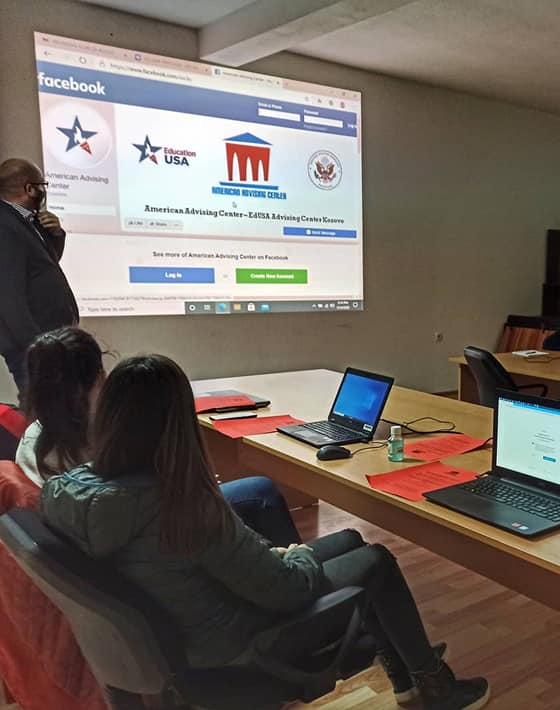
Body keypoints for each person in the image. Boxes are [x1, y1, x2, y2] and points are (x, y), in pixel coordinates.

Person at [41, 354, 490, 709]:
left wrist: (274, 556)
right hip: (234, 643)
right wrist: (290, 555)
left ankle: (407, 675)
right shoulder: (184, 507)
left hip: (182, 628)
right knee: (376, 560)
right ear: (178, 424)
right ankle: (433, 685)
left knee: (352, 541)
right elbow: (288, 591)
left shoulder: (69, 492)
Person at [19, 327, 302, 548]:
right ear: (99, 379)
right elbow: (143, 502)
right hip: (146, 532)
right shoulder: (88, 442)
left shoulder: (38, 437)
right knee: (261, 492)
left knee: (254, 491)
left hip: (120, 532)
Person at [0, 159, 78, 401]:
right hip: (35, 349)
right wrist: (37, 346)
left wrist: (55, 235)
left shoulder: (24, 220)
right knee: (44, 412)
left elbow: (44, 268)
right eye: (42, 185)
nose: (44, 192)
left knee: (61, 409)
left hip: (49, 344)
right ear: (30, 189)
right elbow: (9, 296)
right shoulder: (4, 224)